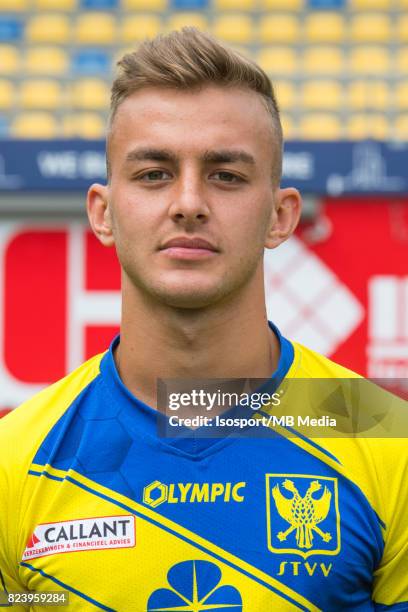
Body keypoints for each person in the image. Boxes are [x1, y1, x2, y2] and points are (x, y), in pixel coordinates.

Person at [0, 28, 406, 611]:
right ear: (104, 213)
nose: (188, 202)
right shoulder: (15, 459)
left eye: (226, 175)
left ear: (280, 215)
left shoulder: (385, 434)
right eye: (154, 174)